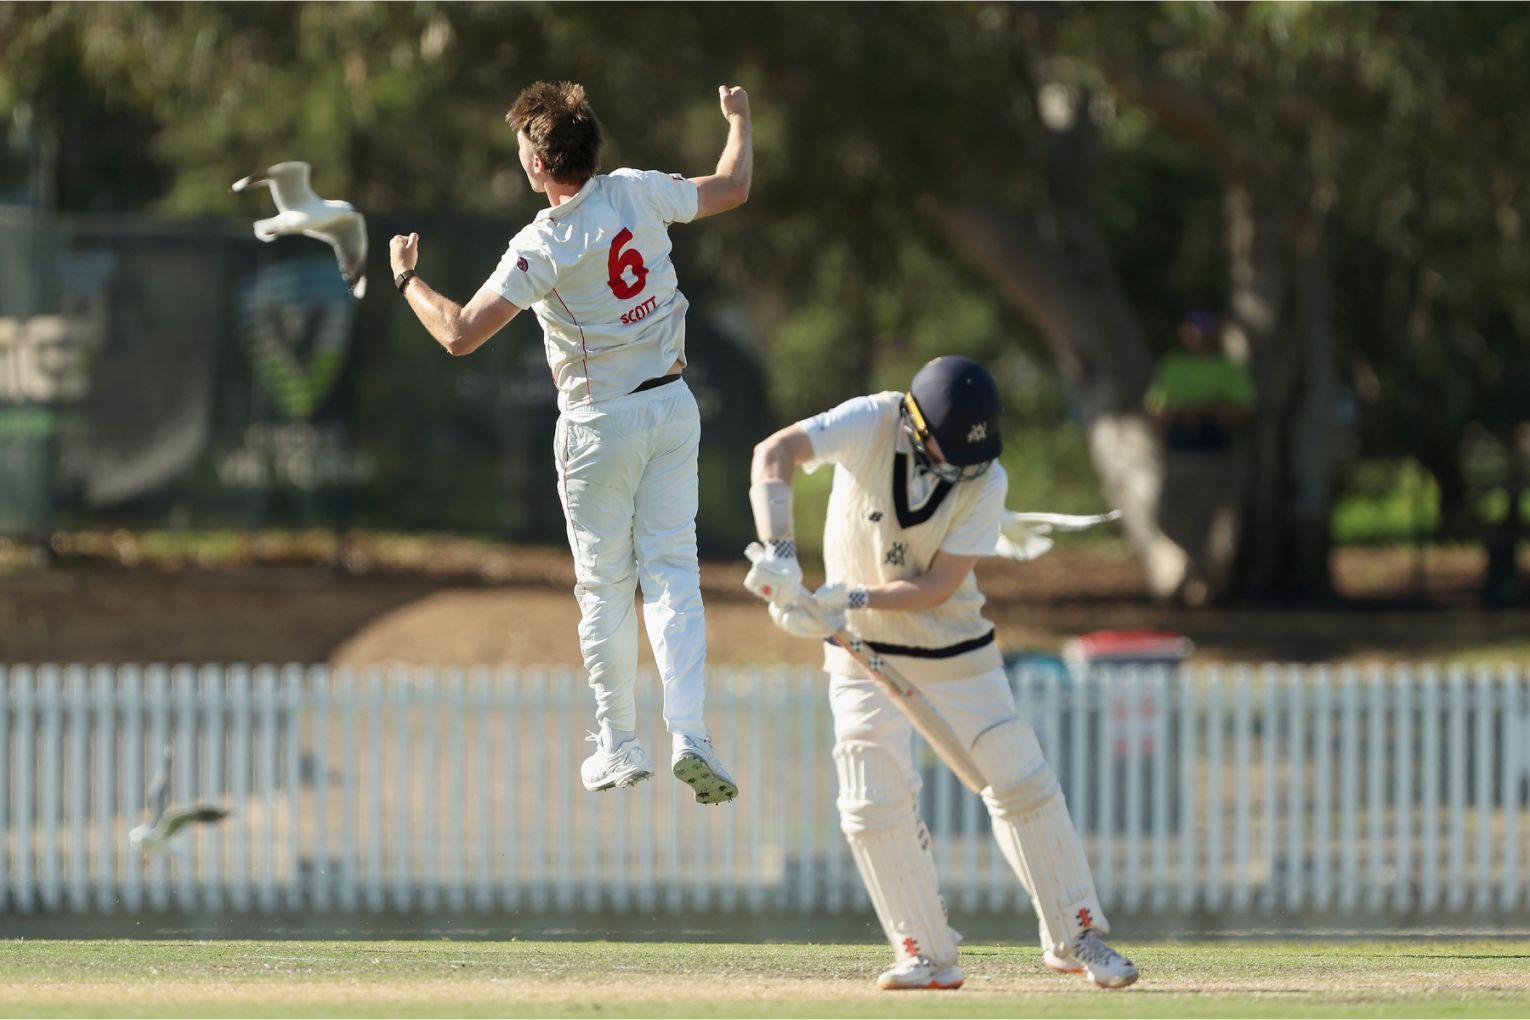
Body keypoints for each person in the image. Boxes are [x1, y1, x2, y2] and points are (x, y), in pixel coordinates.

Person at [387, 81, 752, 805]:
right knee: (674, 573)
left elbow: (460, 333)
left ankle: (619, 743)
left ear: (537, 163)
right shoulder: (637, 192)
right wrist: (739, 119)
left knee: (606, 586)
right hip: (673, 407)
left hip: (598, 425)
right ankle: (692, 734)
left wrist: (407, 281)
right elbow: (734, 185)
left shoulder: (542, 243)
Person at [744, 356, 1138, 990]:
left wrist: (848, 598)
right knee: (871, 794)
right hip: (857, 650)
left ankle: (1077, 934)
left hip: (950, 642)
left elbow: (936, 587)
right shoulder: (872, 419)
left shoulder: (988, 479)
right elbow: (775, 453)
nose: (958, 467)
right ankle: (924, 954)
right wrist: (782, 556)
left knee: (1017, 776)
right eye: (945, 450)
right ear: (912, 421)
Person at [1144, 311, 1256, 604]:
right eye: (1192, 330)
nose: (1198, 336)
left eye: (1204, 330)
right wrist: (1184, 412)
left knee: (1206, 521)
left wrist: (1205, 410)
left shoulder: (1226, 368)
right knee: (1166, 517)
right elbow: (1157, 410)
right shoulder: (1173, 366)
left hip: (1212, 453)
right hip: (1178, 451)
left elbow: (1243, 410)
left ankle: (1203, 589)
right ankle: (1207, 571)